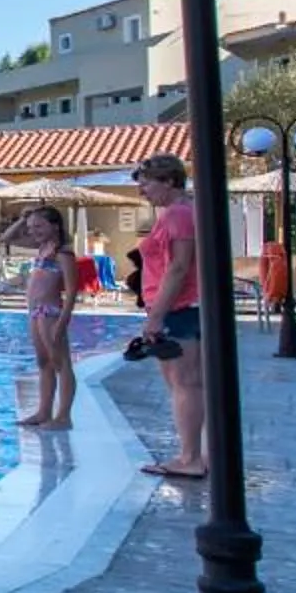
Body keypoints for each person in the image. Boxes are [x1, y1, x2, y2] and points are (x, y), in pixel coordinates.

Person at [128, 153, 205, 479]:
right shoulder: (185, 212)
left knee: (183, 384)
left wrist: (156, 316)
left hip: (178, 309)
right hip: (184, 308)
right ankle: (199, 454)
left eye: (146, 184)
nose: (142, 192)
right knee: (190, 384)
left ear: (169, 181)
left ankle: (189, 459)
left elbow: (178, 267)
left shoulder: (177, 214)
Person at [11, 205, 78, 431]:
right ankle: (44, 411)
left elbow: (71, 292)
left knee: (61, 363)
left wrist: (63, 322)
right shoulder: (41, 248)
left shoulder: (63, 254)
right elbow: (7, 238)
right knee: (43, 363)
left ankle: (64, 416)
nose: (33, 231)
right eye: (31, 228)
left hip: (51, 312)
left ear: (55, 226)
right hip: (35, 311)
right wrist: (23, 219)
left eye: (39, 226)